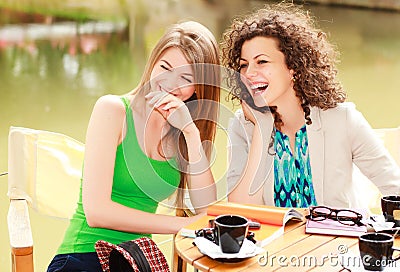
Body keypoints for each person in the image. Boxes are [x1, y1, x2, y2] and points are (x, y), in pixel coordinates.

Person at [47, 21, 220, 272]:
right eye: (165, 67)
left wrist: (191, 133)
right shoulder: (113, 110)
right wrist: (181, 225)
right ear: (153, 62)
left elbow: (206, 211)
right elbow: (97, 212)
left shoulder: (183, 131)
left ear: (199, 88)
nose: (169, 83)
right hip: (84, 254)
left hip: (135, 260)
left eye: (185, 78)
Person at [221, 2, 400, 209]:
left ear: (293, 68)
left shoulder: (342, 119)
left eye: (261, 62)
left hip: (340, 240)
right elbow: (239, 212)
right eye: (244, 65)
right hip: (275, 242)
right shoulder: (242, 125)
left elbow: (394, 188)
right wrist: (262, 129)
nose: (249, 73)